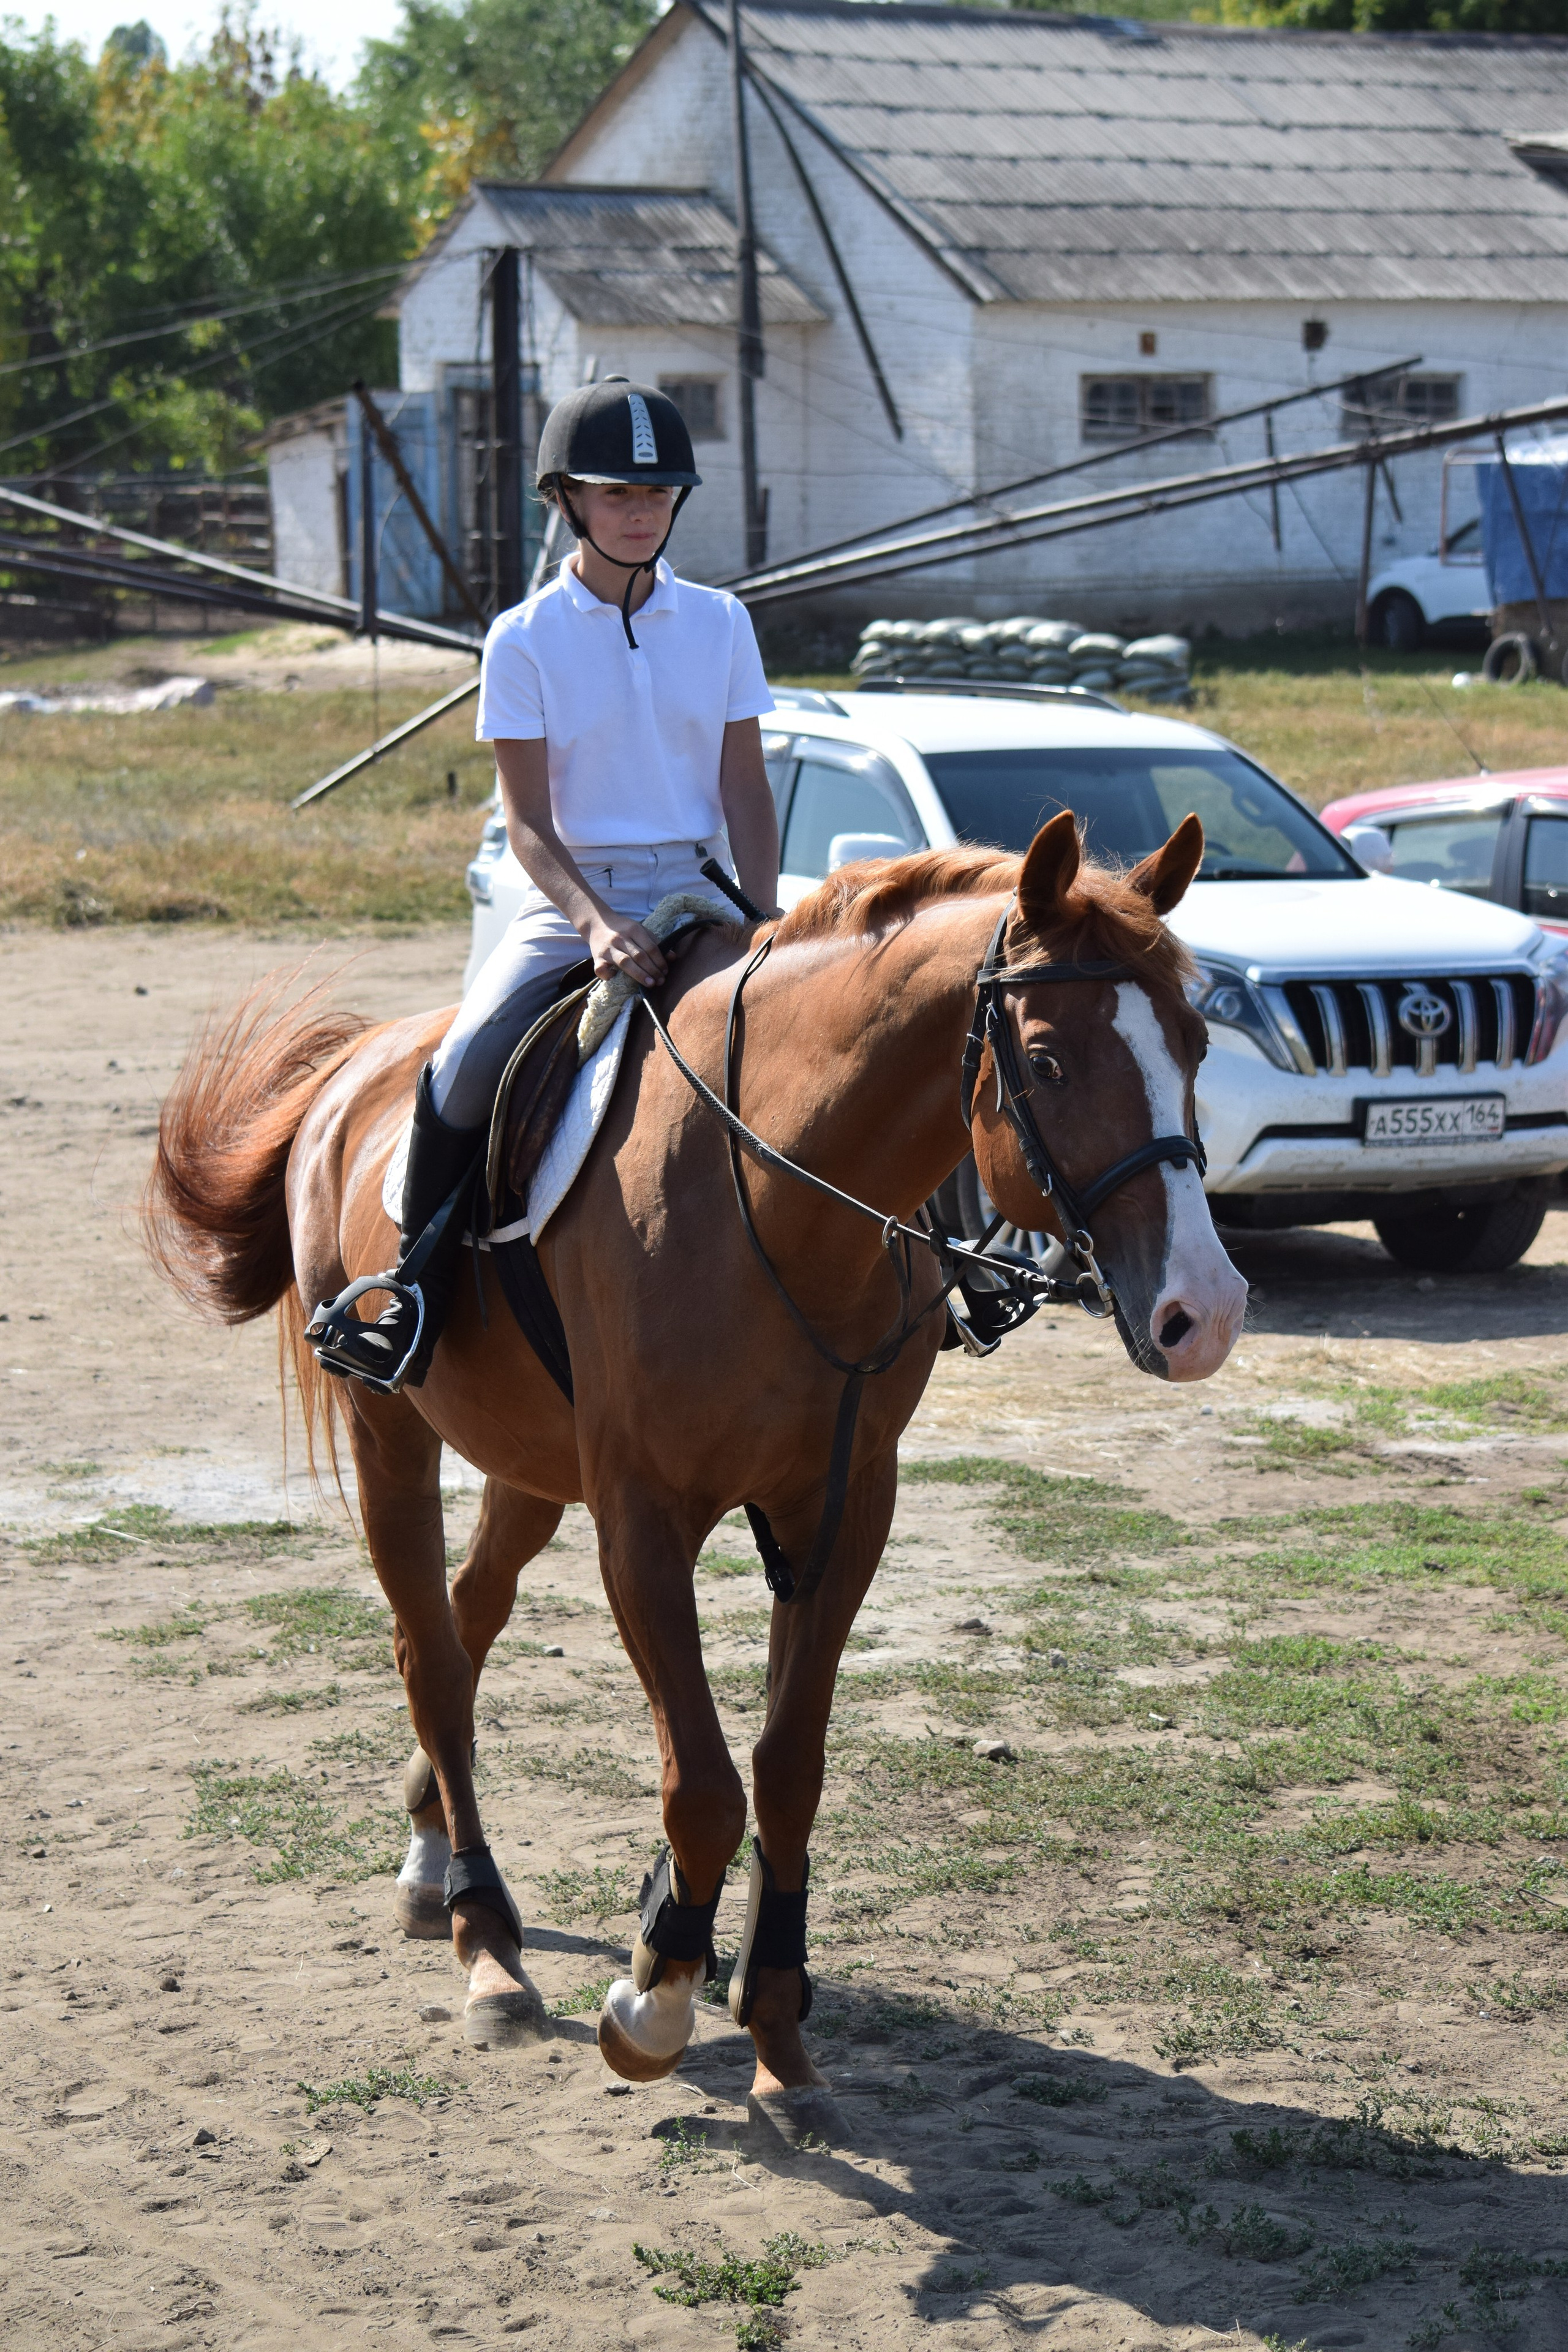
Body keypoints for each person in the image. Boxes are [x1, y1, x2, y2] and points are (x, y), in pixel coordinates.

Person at [307, 376, 779, 1392]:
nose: (642, 512)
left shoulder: (722, 622)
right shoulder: (523, 639)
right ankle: (412, 1291)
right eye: (618, 494)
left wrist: (769, 911)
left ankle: (916, 1275)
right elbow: (528, 823)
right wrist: (599, 922)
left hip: (700, 889)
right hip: (573, 900)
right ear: (567, 499)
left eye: (658, 496)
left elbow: (745, 784)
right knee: (467, 1061)